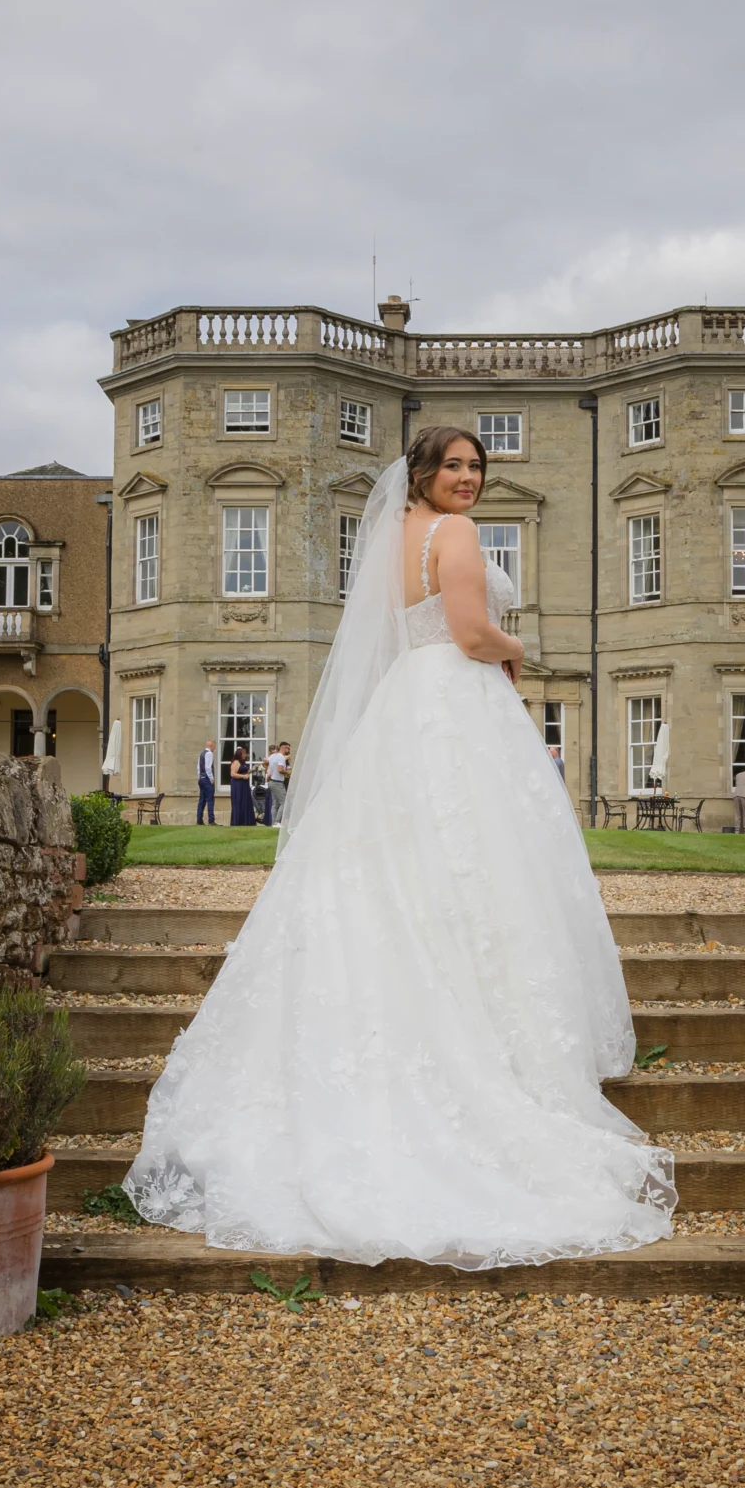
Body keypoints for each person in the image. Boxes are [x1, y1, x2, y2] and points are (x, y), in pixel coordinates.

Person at [127, 424, 673, 1268]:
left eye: (476, 466)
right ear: (420, 474)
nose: (467, 478)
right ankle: (495, 1040)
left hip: (405, 703)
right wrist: (518, 646)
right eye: (452, 465)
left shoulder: (390, 539)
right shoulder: (454, 534)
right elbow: (466, 631)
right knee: (476, 862)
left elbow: (406, 628)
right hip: (454, 698)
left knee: (407, 865)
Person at [226, 745, 257, 827]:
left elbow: (244, 772)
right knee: (239, 802)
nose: (245, 755)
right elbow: (233, 774)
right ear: (239, 754)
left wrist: (252, 770)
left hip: (244, 785)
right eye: (243, 754)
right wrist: (243, 777)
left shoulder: (243, 763)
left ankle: (246, 821)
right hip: (238, 785)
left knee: (245, 802)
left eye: (245, 753)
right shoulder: (236, 762)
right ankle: (238, 821)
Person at [266, 743, 291, 823]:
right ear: (283, 748)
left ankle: (274, 823)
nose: (288, 750)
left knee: (275, 804)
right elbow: (280, 770)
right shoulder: (281, 757)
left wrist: (269, 770)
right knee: (284, 803)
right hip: (277, 782)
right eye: (287, 748)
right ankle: (277, 822)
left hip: (272, 781)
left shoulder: (272, 756)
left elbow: (264, 763)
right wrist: (287, 772)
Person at [195, 740, 219, 826]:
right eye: (214, 746)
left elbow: (198, 768)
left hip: (201, 778)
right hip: (206, 779)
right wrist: (211, 778)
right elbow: (208, 767)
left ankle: (199, 820)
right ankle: (211, 820)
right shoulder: (209, 754)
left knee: (202, 800)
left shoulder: (201, 754)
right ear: (211, 745)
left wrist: (200, 777)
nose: (215, 747)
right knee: (210, 800)